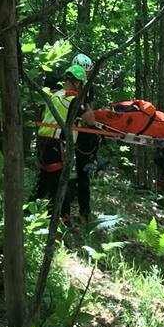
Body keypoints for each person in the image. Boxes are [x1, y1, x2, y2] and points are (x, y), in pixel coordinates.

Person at [32, 64, 96, 214]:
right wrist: (86, 106)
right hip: (56, 144)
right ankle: (63, 219)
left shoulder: (55, 95)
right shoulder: (73, 100)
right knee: (60, 185)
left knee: (44, 181)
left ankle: (31, 213)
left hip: (43, 141)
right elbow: (91, 120)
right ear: (78, 82)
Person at [64, 52, 100, 223]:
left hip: (84, 135)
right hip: (66, 136)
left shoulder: (89, 88)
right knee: (63, 173)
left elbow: (90, 111)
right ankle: (62, 213)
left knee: (83, 174)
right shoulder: (65, 88)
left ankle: (84, 213)